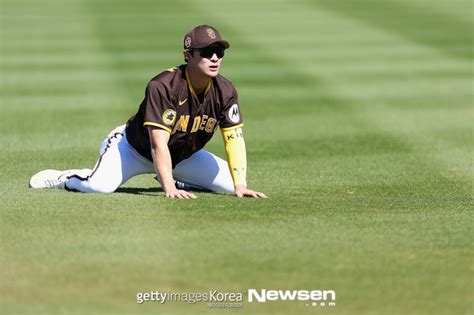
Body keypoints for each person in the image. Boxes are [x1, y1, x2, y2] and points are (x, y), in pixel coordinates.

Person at [29, 25, 268, 199]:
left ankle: (181, 179)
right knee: (99, 187)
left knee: (230, 184)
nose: (215, 57)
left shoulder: (225, 90)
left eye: (219, 52)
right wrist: (169, 188)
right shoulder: (164, 86)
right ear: (188, 56)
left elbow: (234, 138)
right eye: (206, 52)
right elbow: (157, 144)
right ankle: (67, 178)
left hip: (181, 157)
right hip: (132, 150)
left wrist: (241, 184)